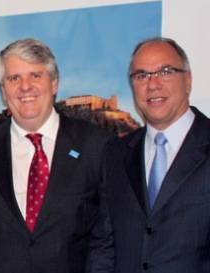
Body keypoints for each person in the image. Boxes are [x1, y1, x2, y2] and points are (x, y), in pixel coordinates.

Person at [0, 38, 112, 273]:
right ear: (3, 91)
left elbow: (108, 236)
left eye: (35, 75)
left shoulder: (96, 145)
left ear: (54, 84)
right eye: (14, 78)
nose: (25, 87)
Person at [88, 37, 210, 273]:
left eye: (165, 71)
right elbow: (103, 244)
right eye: (141, 75)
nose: (152, 84)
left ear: (188, 79)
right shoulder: (115, 154)